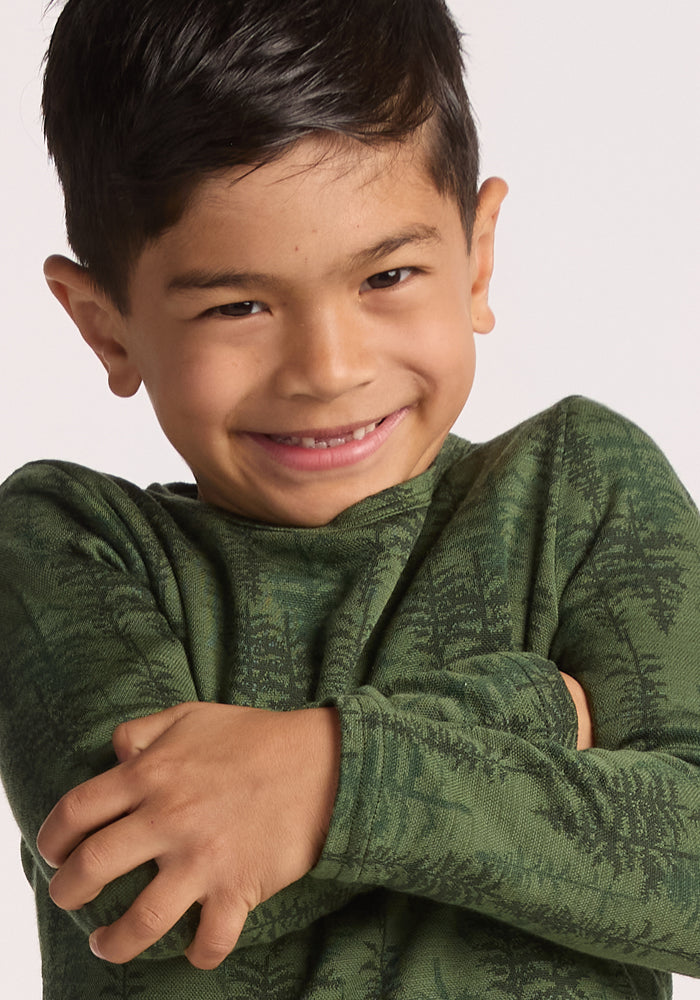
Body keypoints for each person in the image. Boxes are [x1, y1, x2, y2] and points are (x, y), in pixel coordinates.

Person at [0, 0, 698, 997]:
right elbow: (146, 892)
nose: (327, 369)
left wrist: (325, 783)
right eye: (238, 305)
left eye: (389, 275)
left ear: (477, 257)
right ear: (106, 326)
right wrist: (527, 706)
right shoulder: (72, 545)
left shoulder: (578, 491)